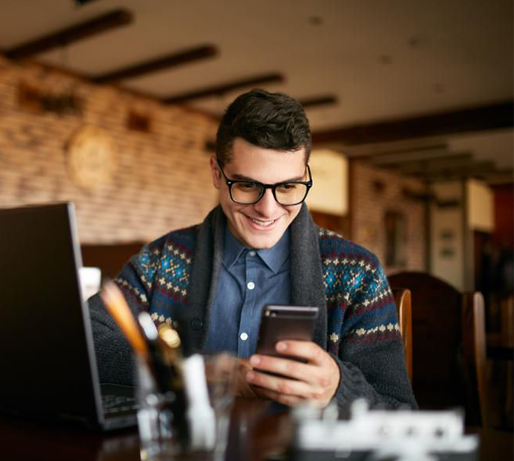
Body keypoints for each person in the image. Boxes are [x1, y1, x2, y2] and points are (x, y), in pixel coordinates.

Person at [89, 89, 417, 410]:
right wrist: (202, 373)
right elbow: (83, 342)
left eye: (288, 187)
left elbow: (399, 412)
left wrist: (338, 388)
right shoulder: (162, 260)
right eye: (247, 185)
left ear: (304, 177)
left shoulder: (358, 273)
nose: (267, 209)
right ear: (217, 173)